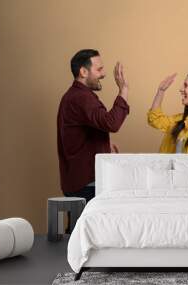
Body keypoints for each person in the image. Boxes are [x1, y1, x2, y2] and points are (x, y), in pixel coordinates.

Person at [57, 49, 129, 232]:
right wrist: (124, 90)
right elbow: (111, 123)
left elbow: (83, 131)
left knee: (79, 233)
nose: (103, 74)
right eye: (99, 69)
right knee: (87, 234)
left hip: (78, 180)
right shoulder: (81, 98)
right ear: (83, 72)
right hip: (86, 184)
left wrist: (104, 144)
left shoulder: (75, 96)